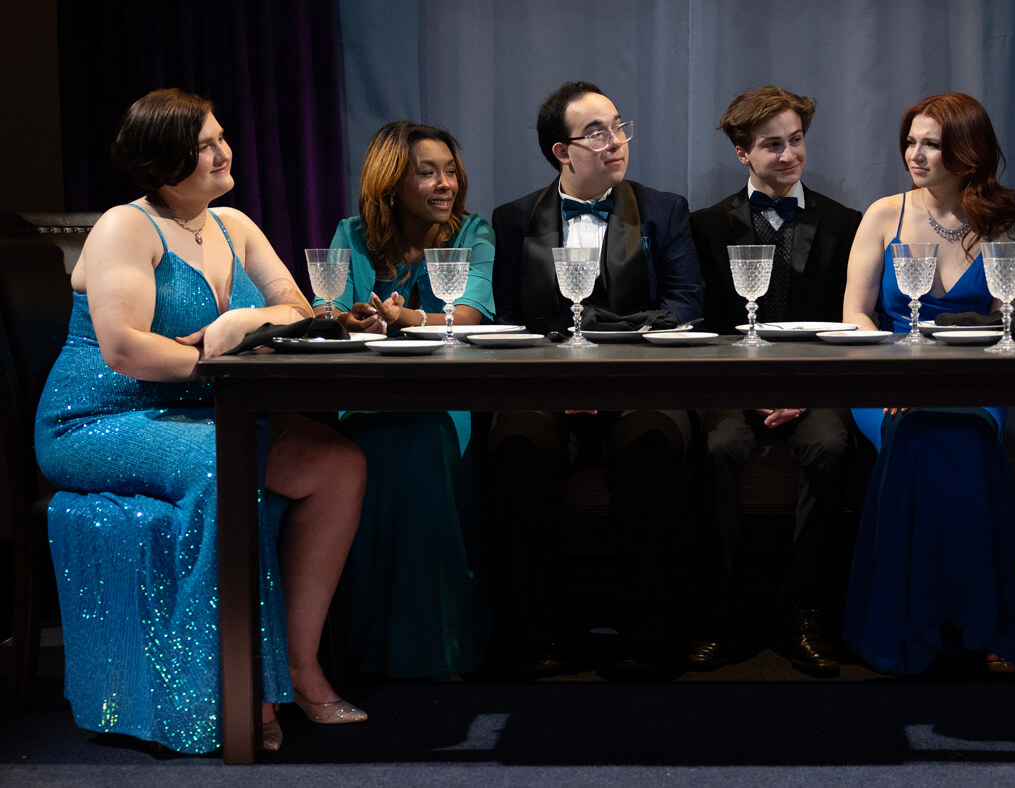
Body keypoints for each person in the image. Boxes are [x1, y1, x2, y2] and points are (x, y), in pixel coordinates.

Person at [33, 88, 367, 754]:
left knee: (337, 465)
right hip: (99, 420)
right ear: (163, 162)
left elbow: (297, 307)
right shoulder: (124, 228)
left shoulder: (234, 224)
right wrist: (215, 349)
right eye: (205, 144)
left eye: (221, 137)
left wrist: (238, 325)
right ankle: (234, 692)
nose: (223, 152)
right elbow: (124, 348)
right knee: (225, 459)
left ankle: (298, 668)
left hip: (208, 412)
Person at [841, 93, 1015, 676]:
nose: (915, 154)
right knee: (915, 431)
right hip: (885, 377)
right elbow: (854, 314)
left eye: (931, 144)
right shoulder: (882, 213)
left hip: (971, 377)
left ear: (967, 153)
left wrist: (955, 376)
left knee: (964, 437)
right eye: (911, 141)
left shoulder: (1003, 223)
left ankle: (987, 618)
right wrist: (892, 370)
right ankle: (913, 622)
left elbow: (1005, 321)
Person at [489, 81, 704, 675]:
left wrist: (615, 365)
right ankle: (538, 636)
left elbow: (686, 304)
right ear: (562, 152)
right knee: (515, 454)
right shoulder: (513, 218)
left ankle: (648, 637)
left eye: (619, 128)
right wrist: (560, 386)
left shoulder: (664, 209)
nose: (616, 143)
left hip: (642, 385)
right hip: (545, 388)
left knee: (653, 452)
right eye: (597, 133)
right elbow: (510, 319)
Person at [687, 86, 862, 676]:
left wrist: (805, 391)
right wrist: (749, 390)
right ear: (742, 154)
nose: (789, 155)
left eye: (796, 141)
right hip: (735, 386)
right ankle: (724, 613)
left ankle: (802, 611)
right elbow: (706, 327)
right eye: (772, 145)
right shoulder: (706, 226)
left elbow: (849, 321)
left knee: (832, 445)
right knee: (717, 447)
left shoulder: (845, 223)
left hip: (816, 383)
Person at [319, 120, 496, 681]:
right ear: (392, 182)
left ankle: (435, 649)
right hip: (365, 401)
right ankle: (364, 648)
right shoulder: (351, 234)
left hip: (446, 403)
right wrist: (356, 319)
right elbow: (332, 316)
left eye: (450, 171)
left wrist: (408, 317)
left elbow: (470, 315)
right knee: (374, 449)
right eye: (428, 173)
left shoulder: (473, 233)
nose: (445, 184)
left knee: (422, 441)